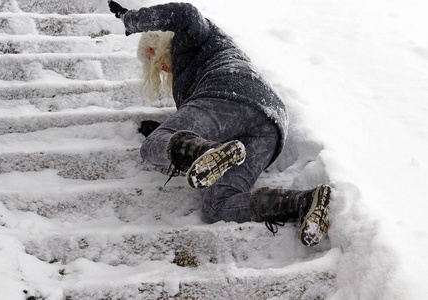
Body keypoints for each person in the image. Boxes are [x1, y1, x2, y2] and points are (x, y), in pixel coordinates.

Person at [108, 1, 331, 246]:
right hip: (270, 124)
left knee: (151, 147)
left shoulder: (193, 38)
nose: (161, 65)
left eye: (155, 54)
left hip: (228, 92)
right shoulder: (200, 63)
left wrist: (130, 20)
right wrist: (167, 127)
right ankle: (303, 203)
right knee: (217, 206)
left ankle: (205, 151)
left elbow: (186, 13)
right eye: (156, 65)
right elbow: (208, 120)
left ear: (163, 41)